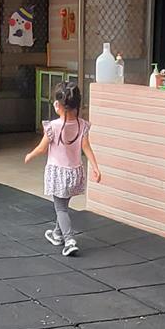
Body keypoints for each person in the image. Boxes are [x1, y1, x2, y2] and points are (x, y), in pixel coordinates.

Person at [24, 82, 101, 257]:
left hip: (58, 173)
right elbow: (86, 147)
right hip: (75, 173)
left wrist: (30, 155)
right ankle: (57, 234)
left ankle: (69, 240)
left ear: (58, 105)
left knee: (61, 209)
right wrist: (95, 167)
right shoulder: (82, 125)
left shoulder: (53, 126)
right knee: (64, 205)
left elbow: (42, 148)